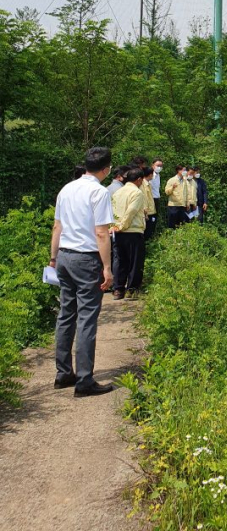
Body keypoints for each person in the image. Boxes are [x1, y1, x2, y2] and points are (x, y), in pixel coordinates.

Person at [49, 146, 114, 397]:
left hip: (64, 256)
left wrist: (54, 259)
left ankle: (63, 373)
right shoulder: (99, 192)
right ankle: (85, 380)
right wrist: (107, 268)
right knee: (87, 318)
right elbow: (101, 233)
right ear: (106, 169)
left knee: (66, 314)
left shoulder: (67, 188)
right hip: (86, 260)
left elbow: (57, 227)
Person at [111, 167, 145, 299]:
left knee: (120, 261)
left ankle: (118, 289)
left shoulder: (117, 192)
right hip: (132, 230)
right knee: (135, 262)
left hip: (117, 231)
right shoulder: (137, 193)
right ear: (139, 179)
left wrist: (115, 227)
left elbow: (112, 211)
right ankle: (132, 289)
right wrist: (122, 226)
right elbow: (131, 212)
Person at [140, 165, 157, 241]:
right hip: (147, 213)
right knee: (147, 232)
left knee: (151, 231)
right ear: (150, 174)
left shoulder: (148, 183)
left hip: (151, 211)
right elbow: (144, 199)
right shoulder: (143, 184)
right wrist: (145, 213)